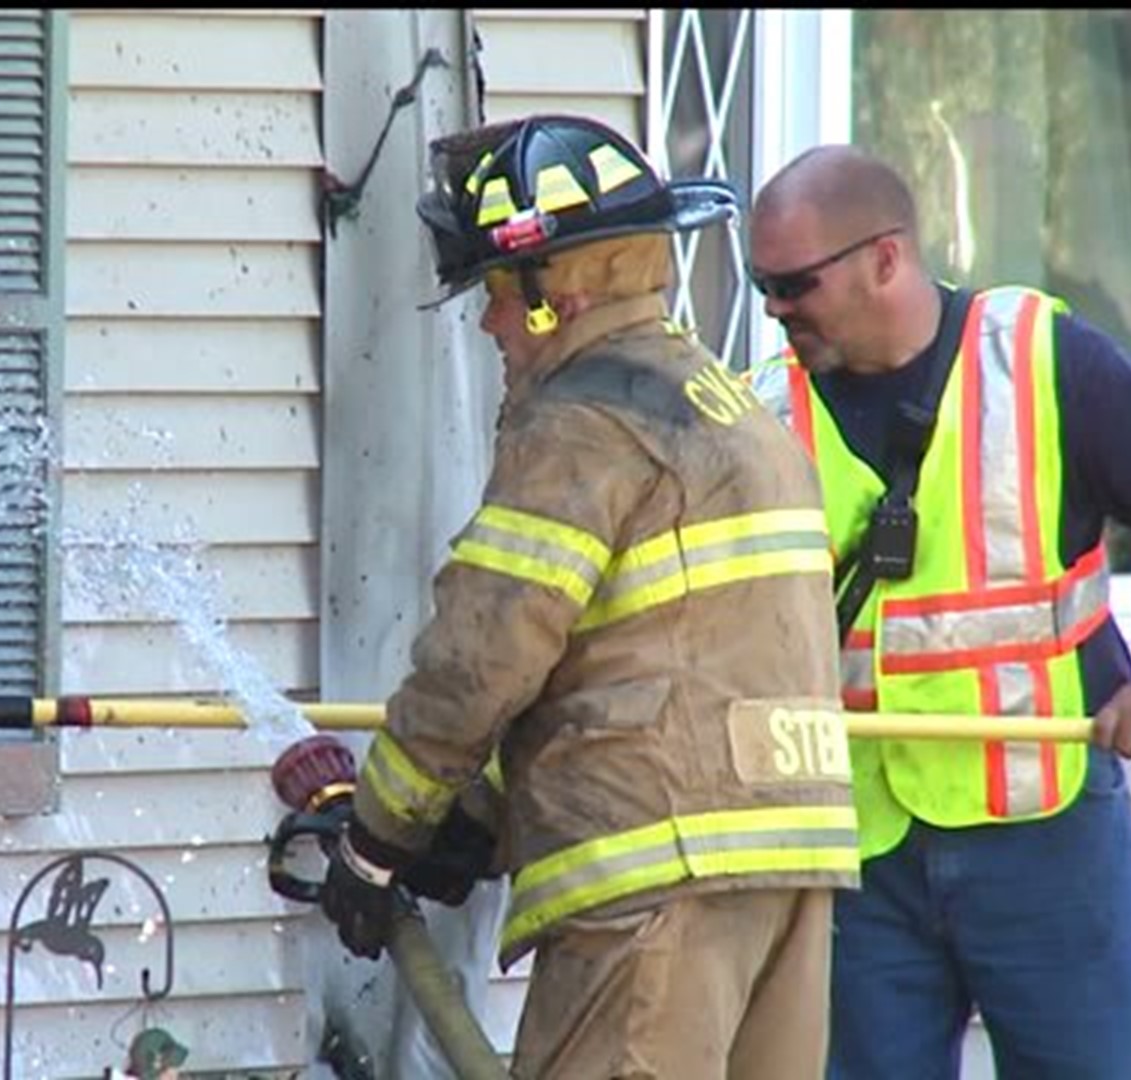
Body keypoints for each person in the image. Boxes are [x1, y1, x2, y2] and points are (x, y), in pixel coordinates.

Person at [315, 113, 862, 1079]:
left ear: (547, 291)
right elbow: (654, 655)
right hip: (786, 870)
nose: (486, 323)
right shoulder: (721, 405)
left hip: (656, 884)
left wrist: (376, 838)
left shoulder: (583, 422)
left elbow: (480, 656)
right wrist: (479, 824)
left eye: (490, 292)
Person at [742, 144, 1131, 1079]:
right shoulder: (767, 408)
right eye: (760, 285)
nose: (774, 308)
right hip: (862, 842)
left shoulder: (1034, 359)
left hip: (1043, 825)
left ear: (884, 258)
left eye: (793, 284)